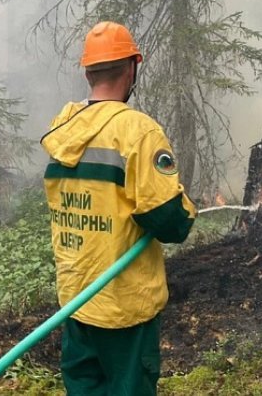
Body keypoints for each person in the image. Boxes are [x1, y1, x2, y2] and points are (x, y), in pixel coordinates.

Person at [40, 21, 197, 395]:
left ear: (88, 71)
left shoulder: (64, 127)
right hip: (125, 306)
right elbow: (169, 222)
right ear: (131, 68)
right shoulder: (138, 132)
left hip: (77, 302)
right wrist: (187, 206)